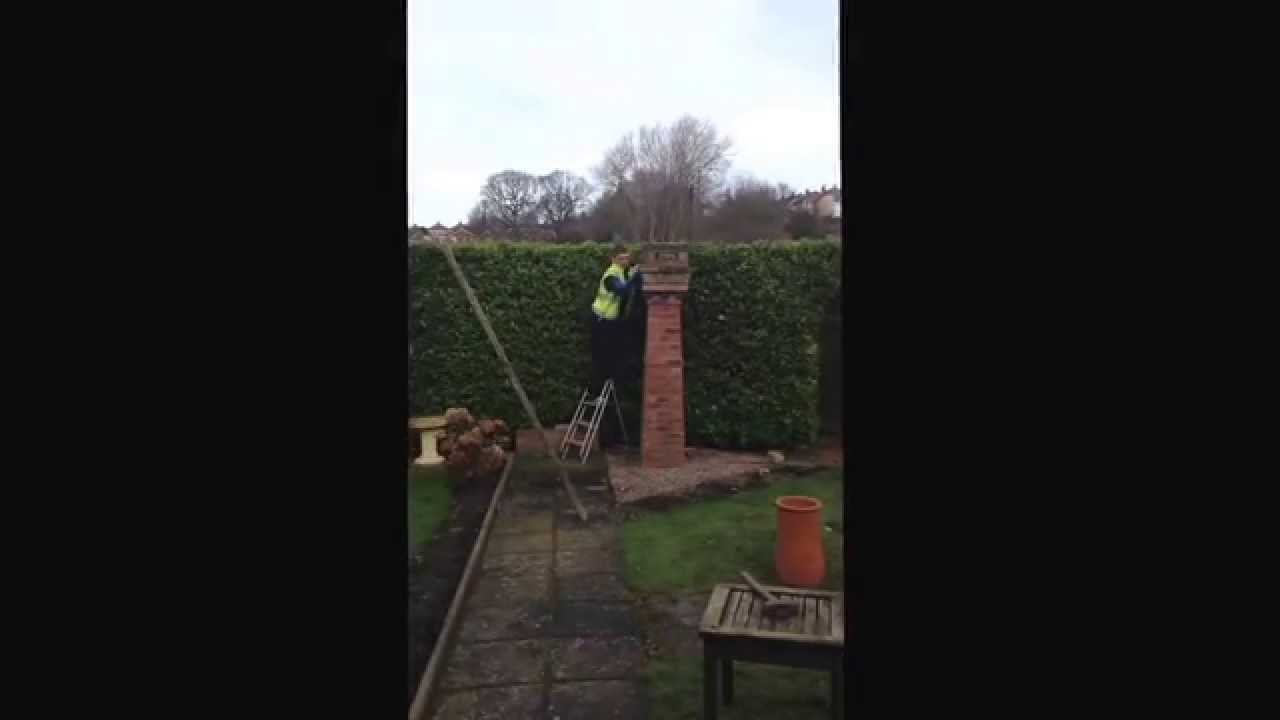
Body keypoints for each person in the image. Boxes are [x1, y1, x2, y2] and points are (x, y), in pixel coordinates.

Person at [588, 243, 641, 447]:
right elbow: (621, 291)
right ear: (613, 259)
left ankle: (606, 384)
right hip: (601, 323)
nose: (624, 262)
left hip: (609, 324)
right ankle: (599, 388)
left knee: (611, 360)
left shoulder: (621, 272)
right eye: (621, 258)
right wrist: (636, 277)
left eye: (627, 258)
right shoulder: (611, 274)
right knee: (603, 361)